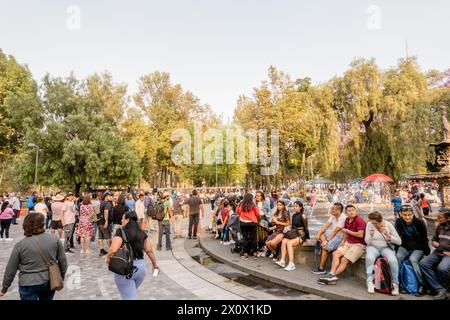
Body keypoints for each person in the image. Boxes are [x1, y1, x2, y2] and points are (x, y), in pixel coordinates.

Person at [0, 212, 67, 300]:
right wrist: (60, 277)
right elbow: (63, 263)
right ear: (43, 224)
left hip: (27, 282)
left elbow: (10, 269)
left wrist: (4, 288)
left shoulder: (20, 245)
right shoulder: (54, 239)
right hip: (49, 280)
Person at [107, 211, 159, 300]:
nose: (121, 220)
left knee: (129, 297)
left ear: (127, 220)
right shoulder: (142, 232)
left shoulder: (120, 231)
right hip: (141, 268)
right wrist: (155, 265)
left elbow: (113, 250)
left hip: (126, 268)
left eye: (123, 218)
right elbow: (149, 250)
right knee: (130, 293)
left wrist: (108, 260)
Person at [318, 205, 366, 285]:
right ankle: (331, 273)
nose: (351, 212)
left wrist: (347, 231)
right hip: (348, 243)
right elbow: (345, 234)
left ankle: (333, 276)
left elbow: (360, 235)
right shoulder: (347, 220)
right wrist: (343, 241)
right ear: (346, 213)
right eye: (349, 211)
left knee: (344, 259)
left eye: (353, 210)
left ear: (355, 211)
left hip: (359, 245)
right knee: (335, 253)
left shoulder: (359, 220)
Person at [395, 205, 430, 296]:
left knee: (413, 259)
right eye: (405, 215)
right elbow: (397, 237)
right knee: (398, 257)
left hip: (418, 247)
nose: (407, 217)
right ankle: (399, 283)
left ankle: (423, 284)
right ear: (401, 214)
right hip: (405, 246)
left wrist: (426, 252)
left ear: (413, 214)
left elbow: (424, 238)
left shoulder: (420, 222)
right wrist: (395, 249)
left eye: (409, 214)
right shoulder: (399, 222)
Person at [364, 211, 402, 295]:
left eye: (376, 223)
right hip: (373, 246)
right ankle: (370, 282)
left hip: (386, 247)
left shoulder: (388, 225)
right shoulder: (369, 224)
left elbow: (399, 241)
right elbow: (366, 241)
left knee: (393, 261)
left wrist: (388, 236)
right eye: (372, 222)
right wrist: (371, 236)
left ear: (380, 220)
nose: (374, 224)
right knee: (369, 258)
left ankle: (395, 284)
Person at [419, 208, 450, 300]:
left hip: (448, 254)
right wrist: (436, 244)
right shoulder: (439, 226)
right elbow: (434, 241)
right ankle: (439, 289)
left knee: (442, 268)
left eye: (440, 217)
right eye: (438, 216)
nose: (438, 218)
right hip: (438, 252)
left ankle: (443, 289)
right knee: (423, 263)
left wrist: (442, 247)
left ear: (448, 218)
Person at [311, 203, 346, 274]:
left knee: (324, 248)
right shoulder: (333, 216)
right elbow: (325, 226)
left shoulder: (343, 218)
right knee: (321, 233)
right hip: (333, 235)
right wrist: (318, 234)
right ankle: (323, 244)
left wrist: (326, 241)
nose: (331, 209)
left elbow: (335, 231)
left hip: (340, 237)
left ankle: (321, 269)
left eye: (333, 208)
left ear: (339, 211)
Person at [277, 201, 309, 271]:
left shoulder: (303, 216)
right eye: (294, 206)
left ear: (300, 207)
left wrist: (307, 238)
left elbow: (306, 227)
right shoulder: (294, 216)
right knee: (284, 241)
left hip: (301, 235)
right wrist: (287, 229)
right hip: (295, 234)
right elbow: (293, 226)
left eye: (296, 206)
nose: (295, 207)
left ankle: (291, 264)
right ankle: (282, 261)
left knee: (289, 243)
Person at [237, 193, 260, 260]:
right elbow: (257, 214)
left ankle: (245, 254)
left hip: (243, 223)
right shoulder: (253, 205)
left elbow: (237, 211)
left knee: (245, 238)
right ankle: (255, 253)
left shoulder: (241, 204)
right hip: (252, 223)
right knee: (254, 238)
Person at [98, 191, 114, 256]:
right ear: (106, 196)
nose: (112, 197)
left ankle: (101, 250)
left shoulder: (101, 203)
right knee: (108, 237)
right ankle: (111, 250)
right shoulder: (108, 204)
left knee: (100, 237)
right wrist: (106, 221)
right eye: (110, 196)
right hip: (105, 222)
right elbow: (106, 211)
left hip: (99, 222)